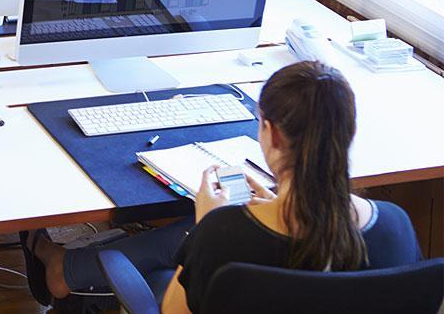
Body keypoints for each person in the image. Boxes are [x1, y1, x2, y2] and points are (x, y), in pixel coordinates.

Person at [24, 61, 423, 312]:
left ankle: (62, 266)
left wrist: (204, 227)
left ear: (270, 134)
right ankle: (64, 266)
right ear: (348, 134)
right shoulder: (396, 225)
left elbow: (176, 311)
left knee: (166, 269)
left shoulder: (226, 232)